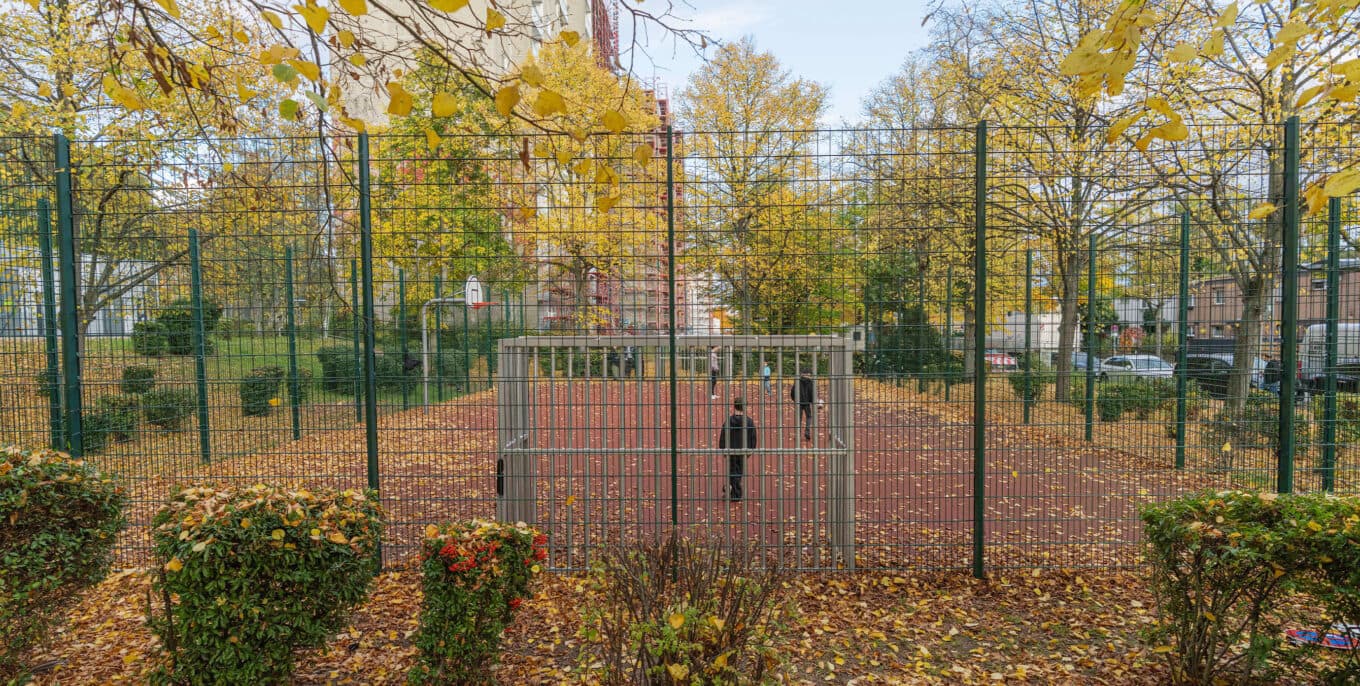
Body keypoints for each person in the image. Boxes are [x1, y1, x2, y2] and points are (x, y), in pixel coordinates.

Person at [717, 397, 756, 502]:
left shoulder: (728, 421)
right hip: (743, 450)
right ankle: (736, 494)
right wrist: (750, 450)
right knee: (738, 472)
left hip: (730, 450)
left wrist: (723, 449)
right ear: (745, 407)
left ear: (734, 406)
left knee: (733, 470)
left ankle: (730, 487)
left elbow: (723, 436)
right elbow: (753, 438)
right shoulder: (749, 422)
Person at [791, 371, 815, 441]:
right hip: (807, 402)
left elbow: (792, 391)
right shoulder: (810, 382)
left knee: (799, 418)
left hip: (799, 402)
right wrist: (812, 401)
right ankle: (807, 432)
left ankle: (798, 434)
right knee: (809, 417)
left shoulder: (797, 381)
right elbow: (812, 392)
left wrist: (795, 399)